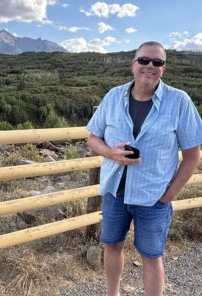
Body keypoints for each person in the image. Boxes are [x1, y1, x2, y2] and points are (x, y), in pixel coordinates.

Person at [86, 41, 202, 296]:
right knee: (112, 246)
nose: (149, 66)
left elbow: (193, 155)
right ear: (133, 64)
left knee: (151, 256)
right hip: (115, 191)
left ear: (164, 68)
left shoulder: (179, 101)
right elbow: (93, 137)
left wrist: (168, 195)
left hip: (153, 196)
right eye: (144, 60)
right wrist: (109, 153)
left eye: (157, 62)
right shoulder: (113, 96)